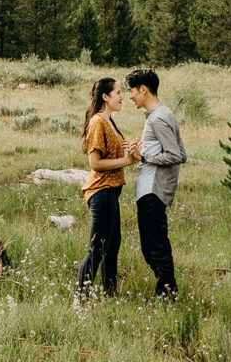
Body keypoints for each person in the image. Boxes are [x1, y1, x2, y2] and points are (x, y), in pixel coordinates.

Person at [75, 77, 140, 300]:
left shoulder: (110, 122)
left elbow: (113, 152)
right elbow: (95, 163)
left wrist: (130, 148)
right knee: (97, 248)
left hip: (111, 192)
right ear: (105, 96)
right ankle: (80, 299)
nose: (123, 97)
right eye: (118, 93)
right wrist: (128, 162)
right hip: (101, 191)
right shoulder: (97, 122)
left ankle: (109, 295)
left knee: (112, 245)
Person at [125, 68, 187, 299]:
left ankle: (168, 296)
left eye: (131, 91)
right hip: (152, 190)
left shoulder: (159, 117)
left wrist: (144, 156)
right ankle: (167, 292)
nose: (130, 96)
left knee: (155, 249)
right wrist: (147, 148)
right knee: (152, 248)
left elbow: (176, 155)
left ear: (143, 89)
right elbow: (180, 152)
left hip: (152, 191)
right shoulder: (163, 114)